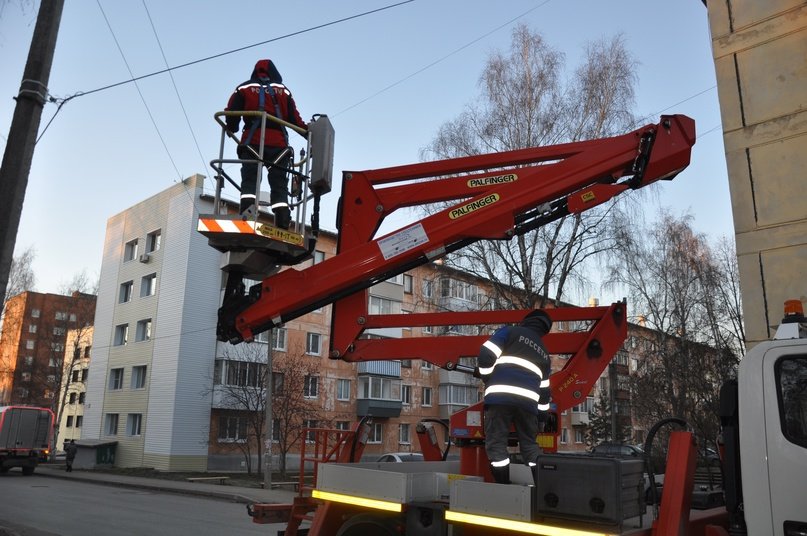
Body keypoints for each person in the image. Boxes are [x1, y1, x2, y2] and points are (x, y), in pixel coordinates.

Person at [225, 59, 308, 228]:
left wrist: (231, 128)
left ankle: (247, 218)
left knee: (250, 181)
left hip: (252, 142)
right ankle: (282, 221)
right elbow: (295, 120)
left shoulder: (244, 88)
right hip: (279, 145)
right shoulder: (283, 91)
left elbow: (232, 113)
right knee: (279, 184)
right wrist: (309, 134)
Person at [477, 309, 552, 484]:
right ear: (544, 330)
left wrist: (487, 376)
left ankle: (504, 487)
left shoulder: (510, 331)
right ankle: (541, 487)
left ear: (526, 321)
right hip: (528, 406)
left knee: (497, 444)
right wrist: (542, 417)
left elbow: (486, 354)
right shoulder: (543, 352)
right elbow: (545, 391)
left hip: (500, 399)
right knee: (530, 447)